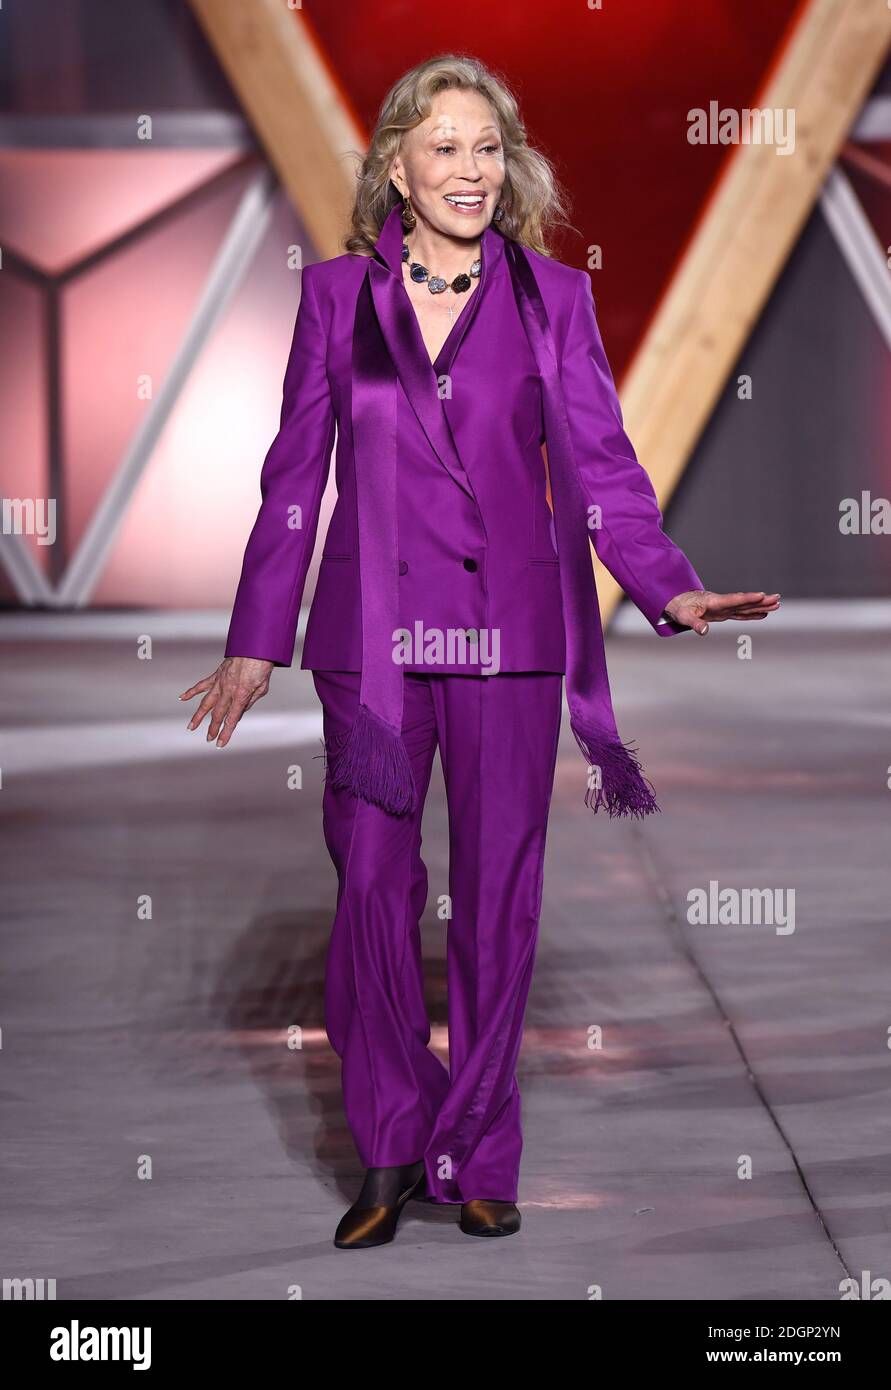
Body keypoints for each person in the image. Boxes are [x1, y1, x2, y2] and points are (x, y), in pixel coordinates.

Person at [181, 54, 779, 1249]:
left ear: (510, 169)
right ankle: (393, 1145)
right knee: (369, 893)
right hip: (370, 643)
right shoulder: (334, 298)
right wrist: (257, 638)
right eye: (444, 145)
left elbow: (601, 467)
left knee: (500, 902)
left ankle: (481, 1149)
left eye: (488, 147)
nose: (469, 167)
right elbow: (294, 485)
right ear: (395, 164)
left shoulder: (552, 297)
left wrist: (669, 586)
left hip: (506, 638)